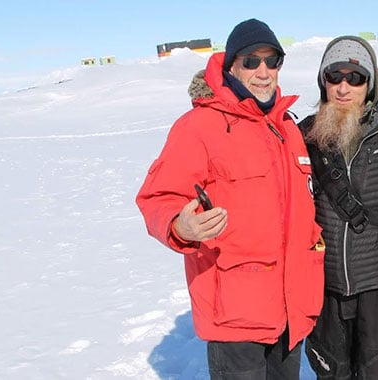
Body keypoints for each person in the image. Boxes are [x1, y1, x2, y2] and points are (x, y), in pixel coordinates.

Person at [136, 18, 325, 380]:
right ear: (232, 66)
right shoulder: (199, 126)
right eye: (251, 61)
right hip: (235, 316)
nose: (264, 71)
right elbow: (157, 197)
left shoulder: (287, 128)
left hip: (291, 308)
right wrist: (181, 225)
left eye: (273, 60)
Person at [299, 35, 378, 379]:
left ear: (370, 84)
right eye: (335, 76)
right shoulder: (305, 136)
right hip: (325, 285)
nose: (344, 87)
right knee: (332, 372)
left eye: (355, 78)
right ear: (323, 81)